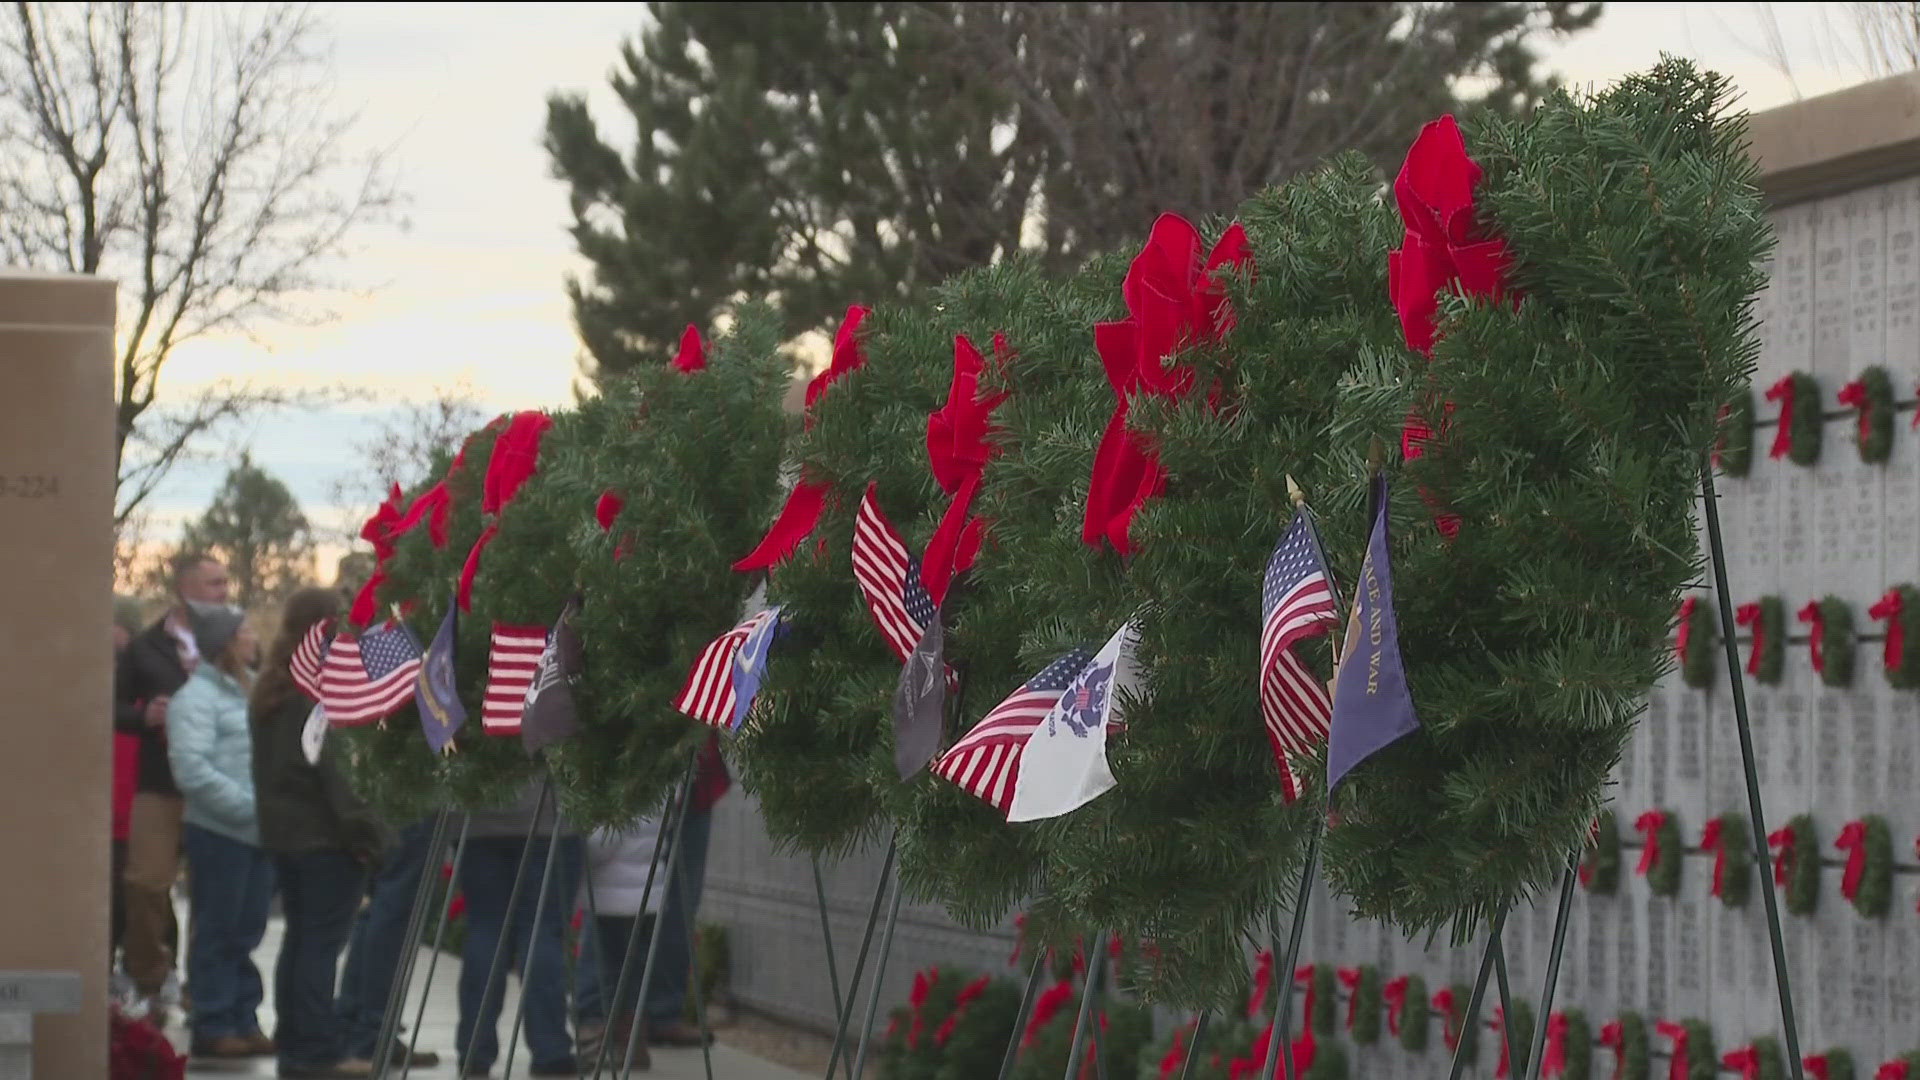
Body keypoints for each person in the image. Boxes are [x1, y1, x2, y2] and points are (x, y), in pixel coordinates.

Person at [252, 588, 388, 1079]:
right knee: (318, 946)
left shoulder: (273, 688)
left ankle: (297, 1044)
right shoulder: (315, 693)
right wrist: (366, 836)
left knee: (301, 941)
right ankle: (314, 1051)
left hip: (286, 836)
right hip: (324, 838)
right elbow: (336, 775)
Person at [116, 552, 231, 1022]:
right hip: (160, 784)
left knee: (217, 893)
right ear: (185, 590)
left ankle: (201, 990)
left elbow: (262, 693)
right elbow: (114, 706)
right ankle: (149, 980)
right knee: (145, 883)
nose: (224, 591)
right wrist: (145, 715)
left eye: (226, 583)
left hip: (219, 786)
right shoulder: (145, 648)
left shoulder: (234, 640)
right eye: (214, 584)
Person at [167, 603, 275, 1059]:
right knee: (218, 929)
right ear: (227, 644)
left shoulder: (242, 694)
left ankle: (243, 1019)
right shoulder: (195, 699)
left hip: (255, 834)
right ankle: (213, 1024)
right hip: (219, 833)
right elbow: (192, 770)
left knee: (246, 931)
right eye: (246, 631)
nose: (253, 638)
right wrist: (250, 808)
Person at [455, 780, 583, 1079]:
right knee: (542, 931)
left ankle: (474, 1051)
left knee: (485, 930)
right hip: (548, 813)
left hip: (478, 813)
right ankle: (550, 1051)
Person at [335, 817, 442, 1070]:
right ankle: (372, 1036)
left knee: (376, 911)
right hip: (415, 805)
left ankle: (353, 1029)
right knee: (393, 916)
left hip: (383, 803)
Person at [643, 735, 728, 1047]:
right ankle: (635, 1015)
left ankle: (657, 1013)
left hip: (690, 782)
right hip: (649, 776)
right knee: (642, 902)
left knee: (679, 906)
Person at [578, 818, 663, 1071]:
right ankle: (632, 1044)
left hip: (613, 887)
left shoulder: (623, 782)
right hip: (646, 885)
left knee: (603, 968)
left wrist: (574, 850)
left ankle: (598, 1041)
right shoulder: (665, 781)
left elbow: (604, 837)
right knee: (632, 970)